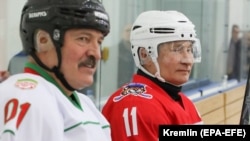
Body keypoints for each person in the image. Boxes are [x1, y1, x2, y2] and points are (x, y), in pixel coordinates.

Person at [0, 0, 111, 140]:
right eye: (83, 39)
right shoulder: (26, 96)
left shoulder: (86, 105)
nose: (96, 54)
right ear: (43, 41)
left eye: (99, 42)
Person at [102, 10, 203, 141]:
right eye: (177, 49)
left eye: (189, 49)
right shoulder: (137, 106)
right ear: (145, 55)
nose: (188, 60)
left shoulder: (185, 103)